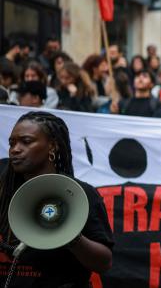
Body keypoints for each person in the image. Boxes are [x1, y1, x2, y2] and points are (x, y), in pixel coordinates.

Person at [0, 111, 113, 286]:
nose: (15, 149)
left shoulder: (79, 194)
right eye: (12, 143)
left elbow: (104, 263)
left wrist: (71, 237)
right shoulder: (4, 189)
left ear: (52, 146)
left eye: (26, 141)